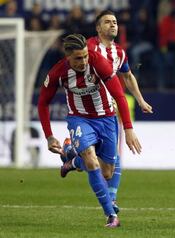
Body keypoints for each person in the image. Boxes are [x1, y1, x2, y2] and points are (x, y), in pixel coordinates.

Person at [37, 33, 141, 227]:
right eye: (78, 58)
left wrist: (128, 129)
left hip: (107, 118)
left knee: (107, 172)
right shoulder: (57, 73)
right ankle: (111, 215)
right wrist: (49, 136)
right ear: (67, 56)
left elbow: (119, 95)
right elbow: (43, 103)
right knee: (91, 161)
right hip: (79, 119)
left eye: (85, 56)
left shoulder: (98, 62)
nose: (83, 61)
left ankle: (72, 159)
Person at [59, 10, 153, 214]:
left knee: (111, 160)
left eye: (115, 22)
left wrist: (140, 99)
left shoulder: (119, 52)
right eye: (108, 22)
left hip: (109, 108)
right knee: (97, 158)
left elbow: (127, 76)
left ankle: (74, 161)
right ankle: (108, 196)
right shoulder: (89, 49)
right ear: (98, 28)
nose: (113, 25)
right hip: (86, 111)